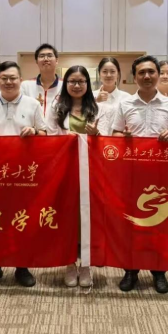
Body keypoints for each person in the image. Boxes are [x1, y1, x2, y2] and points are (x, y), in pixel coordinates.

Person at [111, 55, 168, 294]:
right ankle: (130, 271)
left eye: (151, 72)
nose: (147, 76)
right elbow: (114, 134)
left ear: (158, 74)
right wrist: (124, 137)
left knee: (160, 224)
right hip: (131, 173)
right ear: (134, 77)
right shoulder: (125, 104)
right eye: (141, 72)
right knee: (131, 223)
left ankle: (159, 271)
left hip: (161, 174)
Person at [0, 61, 47, 288]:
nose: (8, 82)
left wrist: (34, 131)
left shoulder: (32, 104)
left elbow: (45, 133)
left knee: (21, 219)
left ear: (20, 80)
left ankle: (22, 266)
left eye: (13, 78)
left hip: (23, 173)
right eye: (4, 78)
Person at [46, 65, 114, 288]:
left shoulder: (100, 109)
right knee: (67, 216)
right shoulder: (56, 108)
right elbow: (51, 138)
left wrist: (96, 135)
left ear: (88, 84)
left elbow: (108, 141)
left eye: (81, 81)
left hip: (91, 171)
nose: (76, 85)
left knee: (88, 217)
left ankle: (86, 264)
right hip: (64, 170)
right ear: (66, 84)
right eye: (72, 81)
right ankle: (69, 264)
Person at [21, 43, 62, 117]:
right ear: (36, 61)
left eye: (50, 56)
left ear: (56, 60)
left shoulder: (65, 85)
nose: (46, 59)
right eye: (42, 56)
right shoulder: (26, 85)